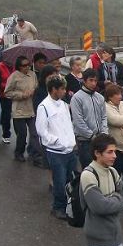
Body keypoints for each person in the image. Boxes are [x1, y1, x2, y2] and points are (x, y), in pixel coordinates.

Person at [36, 75, 77, 219]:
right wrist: (57, 141)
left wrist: (71, 141)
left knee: (68, 181)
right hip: (56, 151)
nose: (64, 91)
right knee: (59, 182)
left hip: (70, 150)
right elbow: (41, 130)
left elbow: (68, 125)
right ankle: (57, 207)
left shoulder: (64, 105)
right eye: (62, 89)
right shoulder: (44, 107)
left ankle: (68, 206)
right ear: (53, 89)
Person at [71, 68, 108, 168]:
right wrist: (91, 136)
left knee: (101, 168)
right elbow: (78, 121)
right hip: (85, 141)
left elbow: (104, 117)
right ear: (84, 80)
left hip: (100, 139)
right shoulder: (77, 98)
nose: (93, 83)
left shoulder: (100, 97)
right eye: (91, 80)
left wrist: (104, 133)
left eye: (95, 81)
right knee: (88, 169)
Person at [4, 56, 37, 162]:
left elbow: (36, 86)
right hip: (19, 110)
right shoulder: (14, 77)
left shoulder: (32, 75)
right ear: (19, 66)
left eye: (28, 64)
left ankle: (35, 153)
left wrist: (33, 91)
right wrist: (21, 95)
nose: (27, 67)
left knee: (35, 133)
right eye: (24, 65)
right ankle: (19, 152)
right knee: (22, 134)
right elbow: (7, 93)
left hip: (31, 108)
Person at [0, 49, 14, 144]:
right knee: (3, 114)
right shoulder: (0, 66)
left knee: (8, 115)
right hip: (2, 94)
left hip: (13, 95)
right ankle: (4, 132)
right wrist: (7, 86)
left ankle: (6, 132)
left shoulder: (15, 67)